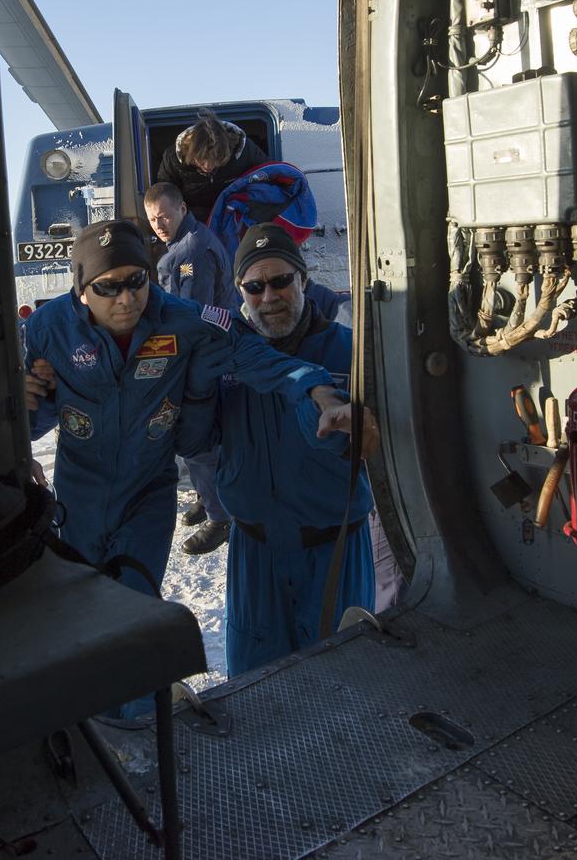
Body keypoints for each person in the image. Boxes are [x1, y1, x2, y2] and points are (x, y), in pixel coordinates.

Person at [22, 220, 351, 614]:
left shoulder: (185, 321)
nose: (126, 298)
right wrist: (21, 407)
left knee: (131, 612)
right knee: (76, 615)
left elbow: (254, 356)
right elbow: (29, 416)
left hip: (146, 500)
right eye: (108, 287)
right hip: (77, 502)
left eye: (136, 281)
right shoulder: (48, 328)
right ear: (81, 290)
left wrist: (318, 389)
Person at [180, 222, 380, 678]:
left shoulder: (349, 353)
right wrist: (193, 389)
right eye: (255, 286)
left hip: (334, 553)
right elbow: (195, 442)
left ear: (303, 280)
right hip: (256, 556)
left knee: (347, 686)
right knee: (257, 690)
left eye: (281, 281)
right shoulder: (227, 359)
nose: (269, 296)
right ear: (240, 292)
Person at [143, 181, 235, 555]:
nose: (158, 224)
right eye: (152, 219)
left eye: (164, 215)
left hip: (203, 357)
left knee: (198, 441)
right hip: (199, 353)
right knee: (195, 440)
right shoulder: (182, 244)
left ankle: (220, 517)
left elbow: (191, 318)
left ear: (181, 208)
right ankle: (204, 496)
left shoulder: (191, 250)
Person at [155, 108, 268, 223]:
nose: (208, 166)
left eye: (217, 159)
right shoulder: (172, 159)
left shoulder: (245, 151)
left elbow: (267, 177)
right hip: (192, 220)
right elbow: (165, 195)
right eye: (201, 159)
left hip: (234, 216)